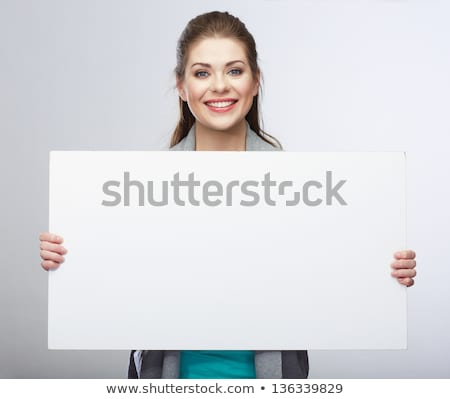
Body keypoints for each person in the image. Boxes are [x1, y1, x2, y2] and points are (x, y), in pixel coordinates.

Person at [39, 11, 417, 379]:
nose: (219, 85)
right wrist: (71, 259)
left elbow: (334, 275)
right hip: (170, 379)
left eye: (234, 70)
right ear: (182, 86)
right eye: (202, 72)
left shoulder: (304, 186)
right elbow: (117, 278)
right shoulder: (140, 188)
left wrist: (381, 273)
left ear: (255, 81)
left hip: (267, 380)